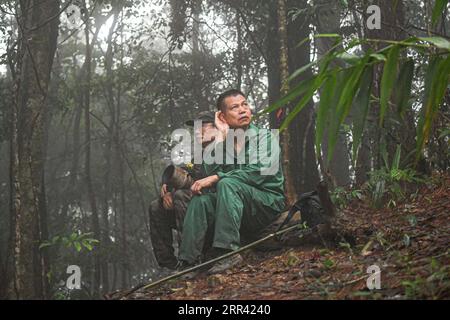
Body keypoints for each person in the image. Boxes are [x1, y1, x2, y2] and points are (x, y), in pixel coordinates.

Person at [177, 89, 286, 274]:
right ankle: (187, 262)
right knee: (200, 199)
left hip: (266, 203)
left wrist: (218, 177)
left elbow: (259, 173)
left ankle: (228, 252)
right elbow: (206, 173)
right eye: (235, 107)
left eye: (245, 104)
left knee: (227, 183)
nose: (243, 110)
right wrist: (220, 137)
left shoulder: (266, 137)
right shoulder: (224, 142)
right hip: (235, 206)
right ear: (223, 116)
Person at [149, 111, 217, 270]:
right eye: (196, 128)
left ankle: (189, 259)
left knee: (181, 196)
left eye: (203, 127)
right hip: (195, 211)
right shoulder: (199, 157)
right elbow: (184, 173)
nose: (198, 131)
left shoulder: (227, 149)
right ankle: (169, 265)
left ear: (217, 128)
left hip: (218, 212)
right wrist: (167, 189)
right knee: (156, 207)